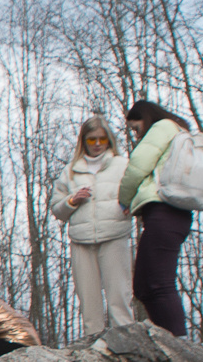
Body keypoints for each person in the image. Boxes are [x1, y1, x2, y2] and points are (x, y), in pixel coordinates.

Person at [50, 115, 137, 338]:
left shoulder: (123, 165)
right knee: (88, 301)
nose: (97, 144)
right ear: (83, 141)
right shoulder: (70, 170)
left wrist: (131, 204)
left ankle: (127, 346)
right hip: (81, 239)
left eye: (102, 139)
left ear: (109, 140)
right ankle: (93, 350)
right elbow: (57, 209)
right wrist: (72, 200)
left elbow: (138, 193)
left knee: (119, 296)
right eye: (91, 140)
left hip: (115, 235)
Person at [118, 98, 193, 337]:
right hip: (171, 215)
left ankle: (179, 344)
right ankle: (166, 340)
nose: (135, 134)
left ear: (145, 117)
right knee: (144, 285)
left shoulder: (164, 127)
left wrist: (124, 198)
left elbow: (138, 165)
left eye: (135, 127)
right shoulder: (178, 131)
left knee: (158, 284)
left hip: (164, 212)